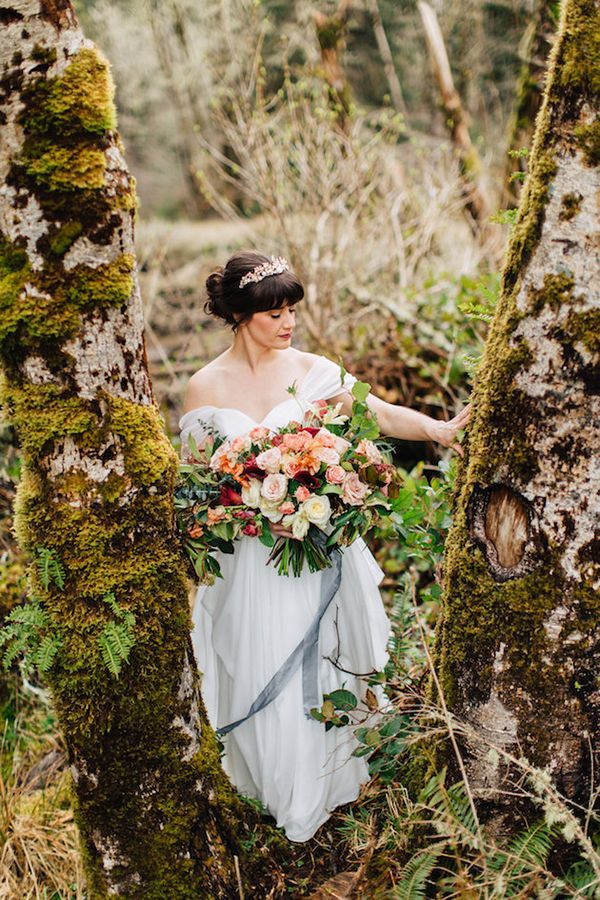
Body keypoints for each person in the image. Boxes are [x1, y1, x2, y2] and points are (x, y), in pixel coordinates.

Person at [179, 250, 469, 842]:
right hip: (251, 560)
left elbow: (380, 415)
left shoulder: (312, 371)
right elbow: (197, 487)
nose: (288, 323)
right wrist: (253, 513)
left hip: (314, 552)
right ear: (239, 314)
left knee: (322, 656)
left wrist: (438, 430)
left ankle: (331, 782)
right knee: (256, 655)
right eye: (274, 313)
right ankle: (269, 789)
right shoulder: (202, 387)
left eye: (292, 310)